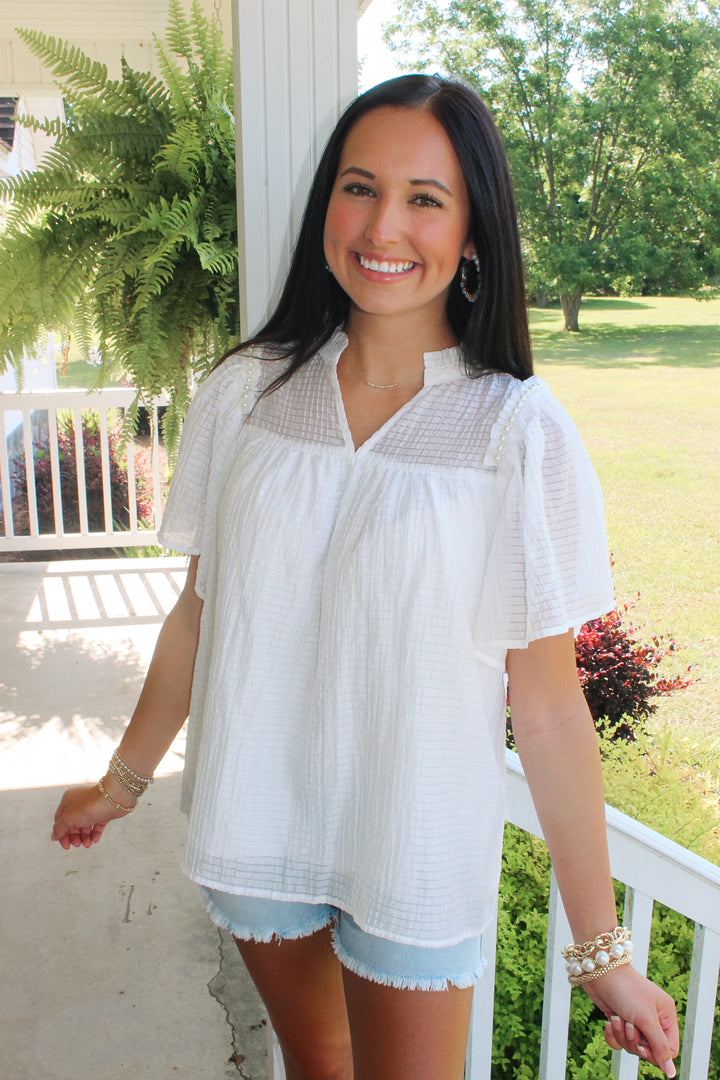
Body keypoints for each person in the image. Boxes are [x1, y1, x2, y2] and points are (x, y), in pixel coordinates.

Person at [52, 75, 679, 1080]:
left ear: (473, 233)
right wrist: (121, 782)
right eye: (359, 187)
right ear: (326, 208)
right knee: (316, 1066)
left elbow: (550, 708)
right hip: (258, 816)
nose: (385, 225)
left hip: (413, 842)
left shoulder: (516, 432)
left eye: (425, 198)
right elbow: (200, 614)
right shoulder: (246, 395)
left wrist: (603, 954)